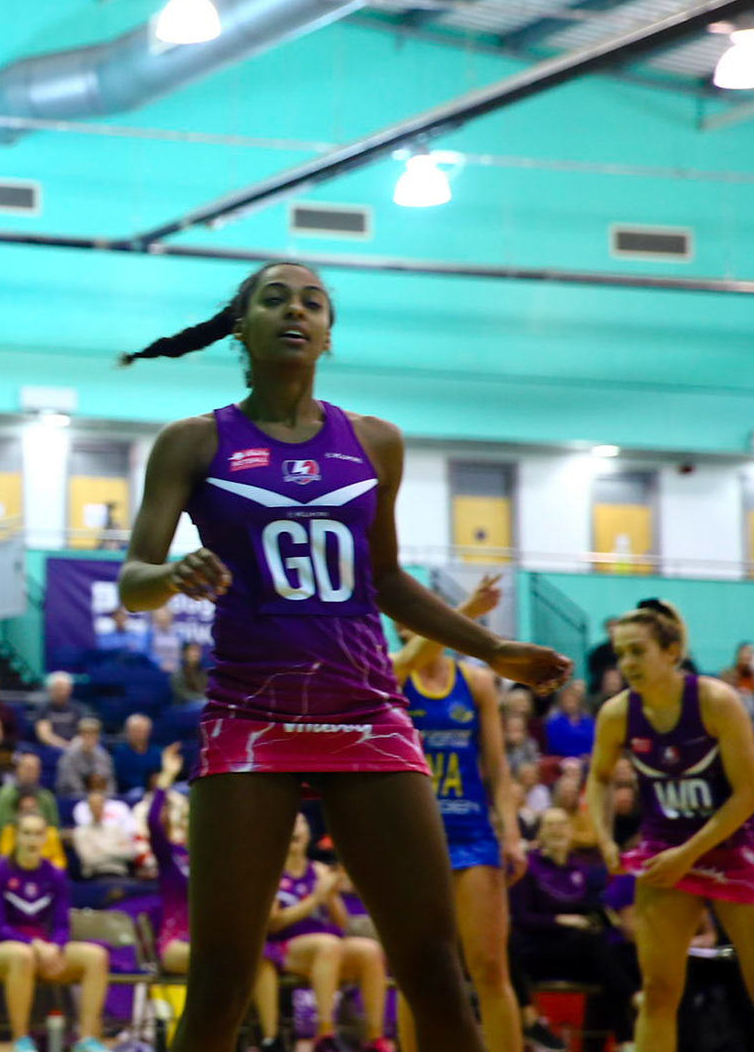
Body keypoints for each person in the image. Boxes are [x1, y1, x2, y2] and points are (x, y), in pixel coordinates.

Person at [114, 260, 569, 1052]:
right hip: (250, 717)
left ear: (328, 332)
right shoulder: (192, 441)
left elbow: (386, 577)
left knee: (433, 969)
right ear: (241, 326)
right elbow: (132, 582)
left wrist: (493, 648)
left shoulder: (376, 442)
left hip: (367, 713)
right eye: (274, 298)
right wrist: (170, 574)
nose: (295, 309)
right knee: (220, 980)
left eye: (312, 301)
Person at [586, 598, 754, 1052]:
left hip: (733, 847)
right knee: (660, 992)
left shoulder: (716, 701)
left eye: (637, 651)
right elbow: (600, 777)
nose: (626, 662)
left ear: (670, 652)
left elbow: (749, 795)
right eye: (620, 652)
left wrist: (688, 854)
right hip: (664, 847)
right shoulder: (616, 713)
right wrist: (605, 838)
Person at [390, 573, 527, 1052]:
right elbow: (412, 657)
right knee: (418, 973)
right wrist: (466, 609)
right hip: (412, 838)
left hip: (471, 831)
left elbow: (498, 770)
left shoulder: (477, 682)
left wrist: (510, 833)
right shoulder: (393, 672)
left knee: (490, 968)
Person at [0, 809, 113, 1052]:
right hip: (2, 948)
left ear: (46, 838)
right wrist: (38, 947)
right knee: (23, 956)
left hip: (44, 948)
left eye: (38, 834)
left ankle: (86, 1040)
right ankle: (21, 1040)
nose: (32, 840)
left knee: (96, 956)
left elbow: (62, 924)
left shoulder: (55, 874)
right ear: (16, 837)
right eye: (27, 833)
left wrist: (55, 947)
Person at [261, 815, 391, 1052]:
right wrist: (315, 899)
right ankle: (325, 1033)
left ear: (308, 833)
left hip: (327, 947)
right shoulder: (271, 873)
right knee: (328, 944)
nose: (294, 828)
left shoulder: (319, 870)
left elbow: (342, 923)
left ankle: (374, 1037)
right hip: (285, 946)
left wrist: (330, 896)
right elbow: (273, 923)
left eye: (300, 822)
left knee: (370, 950)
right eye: (289, 822)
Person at [510, 807, 636, 1046]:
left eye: (562, 824)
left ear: (571, 831)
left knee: (614, 952)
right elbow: (521, 918)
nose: (557, 829)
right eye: (550, 824)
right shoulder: (527, 867)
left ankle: (612, 1042)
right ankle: (630, 1010)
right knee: (595, 947)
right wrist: (560, 920)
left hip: (575, 951)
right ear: (540, 833)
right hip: (537, 949)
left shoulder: (580, 870)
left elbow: (592, 911)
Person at [147, 742, 192, 974]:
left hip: (211, 941)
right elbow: (153, 821)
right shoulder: (171, 855)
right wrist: (166, 776)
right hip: (175, 941)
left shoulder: (217, 861)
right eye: (186, 817)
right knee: (213, 960)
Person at [71, 775, 140, 878]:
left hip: (120, 873)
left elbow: (130, 853)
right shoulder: (81, 832)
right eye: (94, 805)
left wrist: (101, 850)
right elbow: (89, 860)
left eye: (100, 804)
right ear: (88, 807)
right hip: (94, 876)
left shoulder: (115, 829)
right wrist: (116, 850)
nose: (97, 808)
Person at [0, 752, 56, 834]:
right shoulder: (4, 795)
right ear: (18, 769)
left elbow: (54, 827)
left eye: (34, 769)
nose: (30, 773)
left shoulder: (46, 797)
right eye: (27, 768)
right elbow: (2, 826)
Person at [30, 672, 93, 750]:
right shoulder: (43, 709)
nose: (60, 693)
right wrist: (63, 746)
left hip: (76, 748)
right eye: (56, 689)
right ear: (50, 690)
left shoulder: (78, 708)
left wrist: (74, 745)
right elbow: (44, 735)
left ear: (69, 690)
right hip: (51, 748)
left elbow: (85, 731)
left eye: (63, 689)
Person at [55, 716, 115, 796]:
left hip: (98, 800)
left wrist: (108, 797)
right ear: (80, 735)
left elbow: (109, 782)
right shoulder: (70, 756)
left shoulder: (103, 756)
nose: (89, 737)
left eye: (93, 734)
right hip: (72, 797)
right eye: (86, 733)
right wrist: (88, 798)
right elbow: (70, 783)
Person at [542, 680, 595, 758]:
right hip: (563, 760)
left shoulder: (588, 721)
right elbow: (556, 745)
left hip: (588, 759)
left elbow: (593, 740)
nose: (570, 702)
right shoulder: (554, 723)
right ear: (561, 702)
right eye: (567, 699)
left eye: (573, 699)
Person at [114, 712, 163, 794]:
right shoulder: (120, 752)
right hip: (132, 791)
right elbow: (123, 778)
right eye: (135, 731)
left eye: (141, 731)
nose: (138, 734)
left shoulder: (157, 752)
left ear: (148, 732)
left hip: (157, 788)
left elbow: (161, 774)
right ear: (127, 731)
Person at [172, 642, 209, 707]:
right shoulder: (178, 673)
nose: (196, 654)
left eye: (197, 651)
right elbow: (182, 694)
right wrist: (203, 698)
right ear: (184, 654)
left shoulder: (203, 672)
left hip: (202, 701)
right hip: (184, 705)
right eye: (192, 651)